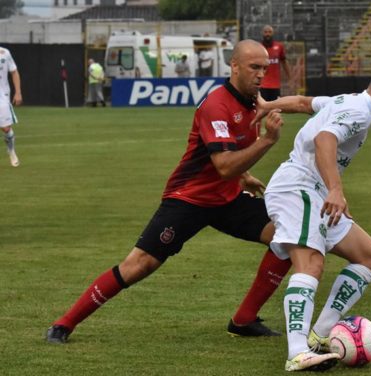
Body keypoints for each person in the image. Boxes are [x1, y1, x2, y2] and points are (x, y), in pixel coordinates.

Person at [45, 40, 294, 344]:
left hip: (227, 197)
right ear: (235, 66)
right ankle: (64, 324)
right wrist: (267, 142)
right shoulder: (215, 105)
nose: (260, 75)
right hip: (188, 198)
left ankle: (243, 320)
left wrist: (245, 176)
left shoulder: (255, 102)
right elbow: (224, 164)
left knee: (289, 235)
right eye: (254, 67)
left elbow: (230, 155)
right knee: (139, 265)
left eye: (264, 68)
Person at [257, 59, 371, 371]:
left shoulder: (346, 101)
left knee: (370, 256)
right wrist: (336, 189)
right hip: (298, 187)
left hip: (315, 191)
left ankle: (320, 335)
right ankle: (297, 352)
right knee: (311, 263)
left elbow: (304, 103)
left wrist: (267, 105)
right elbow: (324, 139)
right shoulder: (358, 110)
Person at [0, 46, 22, 167]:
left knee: (6, 129)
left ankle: (11, 151)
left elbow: (14, 72)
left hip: (2, 95)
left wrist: (18, 92)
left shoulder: (4, 53)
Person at [260, 25, 291, 101]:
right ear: (262, 33)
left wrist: (289, 78)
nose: (267, 34)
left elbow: (284, 62)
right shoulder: (258, 47)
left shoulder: (279, 46)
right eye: (266, 32)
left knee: (275, 109)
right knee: (262, 109)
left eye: (269, 32)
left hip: (275, 86)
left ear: (273, 33)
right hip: (261, 85)